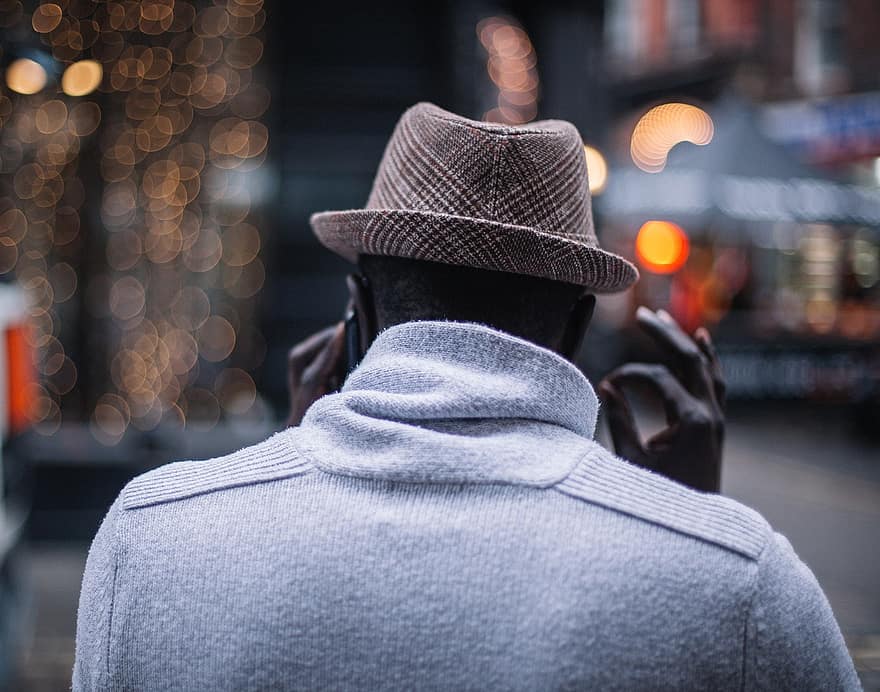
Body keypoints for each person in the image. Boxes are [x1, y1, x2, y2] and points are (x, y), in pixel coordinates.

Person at [73, 103, 859, 690]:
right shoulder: (742, 578)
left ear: (362, 309)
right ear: (579, 326)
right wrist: (688, 533)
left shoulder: (150, 536)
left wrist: (280, 466)